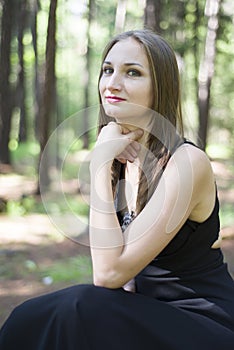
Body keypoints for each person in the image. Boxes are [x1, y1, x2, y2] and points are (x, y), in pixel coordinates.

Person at [0, 29, 234, 350]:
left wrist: (97, 164)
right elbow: (120, 281)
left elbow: (108, 274)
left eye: (132, 73)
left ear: (160, 87)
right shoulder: (121, 156)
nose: (112, 83)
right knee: (29, 319)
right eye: (108, 70)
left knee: (79, 307)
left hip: (203, 321)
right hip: (149, 314)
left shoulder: (187, 163)